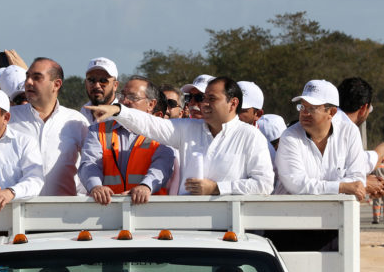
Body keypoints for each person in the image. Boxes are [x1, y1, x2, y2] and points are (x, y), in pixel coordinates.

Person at [86, 77, 274, 196]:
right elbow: (151, 125)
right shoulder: (189, 128)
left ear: (233, 104)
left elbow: (264, 185)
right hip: (189, 228)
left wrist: (217, 188)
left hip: (231, 229)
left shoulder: (251, 136)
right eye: (203, 98)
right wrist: (118, 111)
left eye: (211, 99)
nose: (204, 104)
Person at [79, 75, 176, 205]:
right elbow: (89, 164)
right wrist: (95, 187)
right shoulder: (97, 130)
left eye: (132, 97)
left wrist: (146, 186)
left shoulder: (162, 132)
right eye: (122, 96)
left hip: (150, 214)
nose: (124, 101)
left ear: (151, 104)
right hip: (107, 212)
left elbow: (163, 166)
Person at [274, 80, 366, 200]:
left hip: (337, 212)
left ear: (331, 112)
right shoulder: (289, 137)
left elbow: (357, 180)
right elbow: (296, 184)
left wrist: (341, 187)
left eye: (312, 108)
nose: (304, 113)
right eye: (302, 106)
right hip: (292, 214)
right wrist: (341, 187)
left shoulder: (349, 132)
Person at [9, 57, 89, 196]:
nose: (28, 82)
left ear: (56, 84)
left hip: (63, 212)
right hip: (17, 211)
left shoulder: (76, 121)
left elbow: (92, 164)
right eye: (27, 76)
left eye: (37, 77)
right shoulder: (9, 118)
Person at [80, 57, 120, 124]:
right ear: (85, 83)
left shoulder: (124, 117)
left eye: (103, 81)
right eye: (91, 80)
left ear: (115, 85)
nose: (97, 86)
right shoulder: (83, 113)